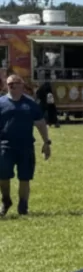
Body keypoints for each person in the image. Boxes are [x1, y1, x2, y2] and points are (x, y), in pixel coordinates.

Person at [0, 74, 51, 217]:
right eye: (9, 84)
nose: (12, 86)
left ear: (22, 86)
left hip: (26, 147)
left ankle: (23, 207)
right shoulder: (1, 103)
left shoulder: (30, 104)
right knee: (3, 177)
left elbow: (40, 123)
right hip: (4, 146)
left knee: (25, 178)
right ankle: (5, 200)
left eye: (15, 83)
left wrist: (46, 142)